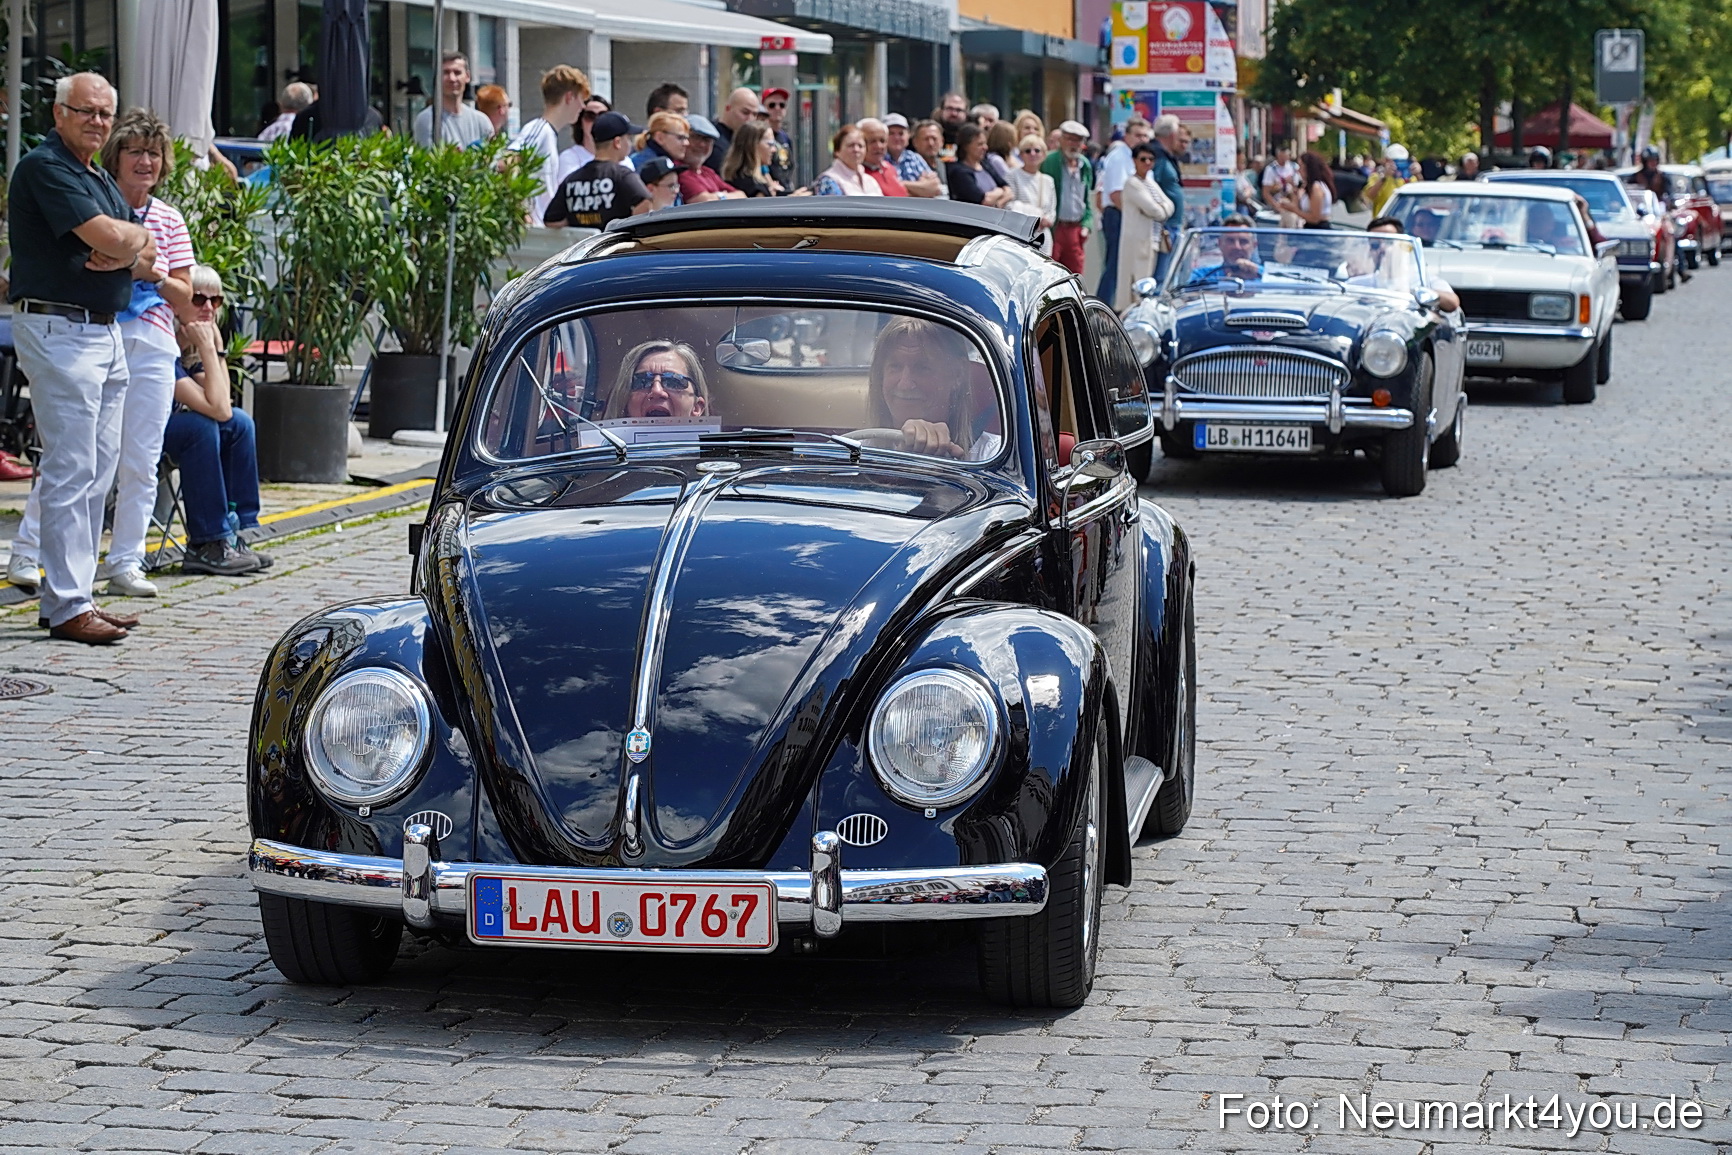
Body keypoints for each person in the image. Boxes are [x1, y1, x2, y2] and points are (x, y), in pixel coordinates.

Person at [12, 107, 194, 600]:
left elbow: (183, 289)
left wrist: (134, 262)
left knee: (134, 459)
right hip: (90, 329)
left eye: (154, 154)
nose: (145, 162)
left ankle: (124, 561)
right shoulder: (91, 193)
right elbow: (100, 250)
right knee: (73, 456)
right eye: (135, 151)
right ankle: (30, 555)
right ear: (117, 156)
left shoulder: (167, 218)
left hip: (147, 338)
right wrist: (132, 254)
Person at [5, 73, 153, 643]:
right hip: (60, 326)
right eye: (86, 111)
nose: (97, 122)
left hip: (104, 330)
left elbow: (142, 248)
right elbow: (121, 241)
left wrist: (124, 245)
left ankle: (73, 595)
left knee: (99, 469)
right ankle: (68, 604)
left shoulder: (95, 176)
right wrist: (124, 243)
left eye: (105, 114)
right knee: (71, 467)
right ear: (59, 112)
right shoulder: (48, 167)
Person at [162, 268, 269, 576]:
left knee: (239, 424)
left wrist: (215, 349)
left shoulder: (189, 352)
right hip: (134, 440)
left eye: (216, 300)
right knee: (201, 428)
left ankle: (234, 532)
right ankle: (207, 542)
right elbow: (216, 409)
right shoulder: (162, 347)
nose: (208, 308)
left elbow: (225, 405)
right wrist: (210, 348)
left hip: (166, 434)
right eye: (198, 299)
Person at [868, 317, 998, 461]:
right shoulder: (854, 452)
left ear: (957, 374)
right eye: (895, 366)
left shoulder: (993, 457)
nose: (905, 384)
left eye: (923, 368)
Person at [544, 112, 652, 229]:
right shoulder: (622, 175)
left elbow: (551, 220)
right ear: (617, 143)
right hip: (613, 245)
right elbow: (645, 202)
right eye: (628, 138)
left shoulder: (571, 180)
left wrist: (580, 230)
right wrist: (625, 232)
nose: (630, 144)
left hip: (583, 246)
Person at [512, 65, 590, 225]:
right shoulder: (539, 129)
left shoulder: (547, 134)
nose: (582, 107)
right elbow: (508, 162)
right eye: (581, 100)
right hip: (533, 234)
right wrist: (521, 212)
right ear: (569, 97)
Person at [1097, 116, 1152, 300]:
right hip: (1119, 216)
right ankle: (1103, 310)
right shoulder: (1120, 157)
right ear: (1127, 136)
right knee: (1115, 267)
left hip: (1134, 217)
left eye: (1145, 136)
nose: (1142, 139)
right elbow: (1116, 194)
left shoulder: (1141, 158)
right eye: (1137, 135)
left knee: (1129, 267)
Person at [1115, 143, 1173, 309]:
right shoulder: (1132, 183)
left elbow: (1169, 205)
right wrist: (1161, 208)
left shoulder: (1151, 183)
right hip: (1137, 242)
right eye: (1143, 159)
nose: (1147, 162)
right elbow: (1156, 210)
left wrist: (1162, 208)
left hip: (1152, 240)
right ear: (1134, 161)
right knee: (1136, 285)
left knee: (1149, 282)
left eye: (1151, 159)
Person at [1363, 216, 1459, 311]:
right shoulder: (1361, 284)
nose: (1382, 249)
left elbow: (1452, 303)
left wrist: (1416, 292)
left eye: (1389, 243)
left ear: (1402, 245)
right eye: (1375, 245)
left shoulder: (1422, 280)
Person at [603, 340, 710, 420]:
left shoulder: (718, 450)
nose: (656, 391)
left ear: (697, 407)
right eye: (642, 381)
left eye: (673, 381)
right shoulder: (602, 449)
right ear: (625, 403)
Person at [1041, 120, 1094, 276]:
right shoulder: (1049, 161)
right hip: (1055, 227)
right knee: (1050, 272)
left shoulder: (1084, 165)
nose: (1073, 144)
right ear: (1061, 140)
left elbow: (1086, 198)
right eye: (1069, 139)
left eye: (1078, 140)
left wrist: (1087, 224)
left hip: (1076, 229)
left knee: (1075, 275)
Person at [412, 52, 493, 147]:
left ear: (467, 76)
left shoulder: (481, 121)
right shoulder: (427, 120)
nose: (452, 78)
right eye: (446, 72)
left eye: (457, 72)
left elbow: (493, 159)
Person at [1149, 116, 1186, 277]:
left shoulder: (1165, 156)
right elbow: (1152, 187)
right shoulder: (1157, 156)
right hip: (1165, 225)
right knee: (1162, 274)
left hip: (1172, 223)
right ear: (1172, 135)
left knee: (1171, 272)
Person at [676, 116, 743, 203]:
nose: (702, 144)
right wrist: (722, 195)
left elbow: (742, 196)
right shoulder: (679, 171)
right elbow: (703, 202)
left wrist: (717, 197)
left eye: (707, 140)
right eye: (695, 137)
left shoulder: (707, 172)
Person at [946, 123, 1012, 207]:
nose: (985, 147)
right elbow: (984, 201)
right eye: (980, 144)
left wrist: (998, 203)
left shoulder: (985, 164)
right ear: (966, 146)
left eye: (985, 143)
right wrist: (1000, 191)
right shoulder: (959, 172)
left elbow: (1008, 189)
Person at [1006, 134, 1057, 240]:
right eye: (1027, 151)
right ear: (1021, 155)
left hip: (1042, 236)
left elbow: (1052, 211)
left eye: (1037, 150)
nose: (1032, 154)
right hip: (1019, 235)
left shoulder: (1048, 180)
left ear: (1044, 154)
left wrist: (1046, 220)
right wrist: (1037, 216)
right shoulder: (1012, 175)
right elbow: (1010, 206)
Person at [812, 124, 882, 197]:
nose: (856, 150)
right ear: (837, 151)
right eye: (851, 145)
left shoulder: (870, 181)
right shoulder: (829, 180)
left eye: (860, 146)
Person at [556, 97, 613, 183]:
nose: (596, 121)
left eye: (603, 116)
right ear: (580, 122)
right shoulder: (569, 158)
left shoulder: (622, 158)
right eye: (590, 116)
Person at [720, 121, 783, 197]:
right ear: (753, 146)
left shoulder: (735, 178)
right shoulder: (755, 188)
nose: (774, 150)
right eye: (770, 144)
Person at [1276, 151, 1336, 229]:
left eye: (1301, 166)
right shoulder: (1309, 186)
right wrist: (1293, 187)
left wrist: (1294, 210)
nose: (1298, 170)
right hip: (1310, 227)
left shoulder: (1316, 188)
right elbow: (1299, 206)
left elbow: (1315, 218)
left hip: (1318, 228)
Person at [885, 114, 941, 196]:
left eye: (901, 133)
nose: (896, 138)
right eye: (891, 133)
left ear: (908, 135)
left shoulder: (914, 158)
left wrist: (899, 184)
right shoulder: (878, 160)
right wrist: (920, 189)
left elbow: (935, 188)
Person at [710, 87, 761, 171]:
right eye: (745, 112)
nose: (750, 119)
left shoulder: (748, 141)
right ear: (728, 108)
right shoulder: (712, 138)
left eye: (755, 114)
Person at [857, 119, 908, 196]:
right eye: (872, 141)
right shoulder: (857, 174)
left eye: (882, 141)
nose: (878, 146)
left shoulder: (889, 168)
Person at [629, 110, 690, 175]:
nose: (686, 143)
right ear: (660, 138)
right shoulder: (646, 165)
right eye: (680, 138)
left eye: (686, 138)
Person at [760, 87, 794, 190]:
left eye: (782, 105)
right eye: (772, 105)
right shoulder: (758, 135)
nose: (777, 108)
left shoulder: (785, 137)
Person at [910, 119, 949, 198]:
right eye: (926, 139)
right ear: (915, 142)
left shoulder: (943, 165)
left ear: (942, 141)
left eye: (934, 139)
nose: (931, 143)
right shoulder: (910, 166)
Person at [1261, 142, 1298, 217]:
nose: (1283, 160)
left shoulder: (1294, 168)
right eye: (1281, 157)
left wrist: (1292, 183)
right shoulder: (1270, 169)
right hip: (1277, 201)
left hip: (1292, 202)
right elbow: (1265, 192)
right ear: (1277, 156)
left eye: (1285, 157)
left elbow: (1299, 189)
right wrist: (1276, 205)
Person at [1364, 149, 1405, 213]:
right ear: (1385, 161)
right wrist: (1384, 177)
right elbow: (1370, 196)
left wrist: (1418, 174)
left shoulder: (1407, 177)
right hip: (1383, 219)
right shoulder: (1376, 176)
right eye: (1394, 161)